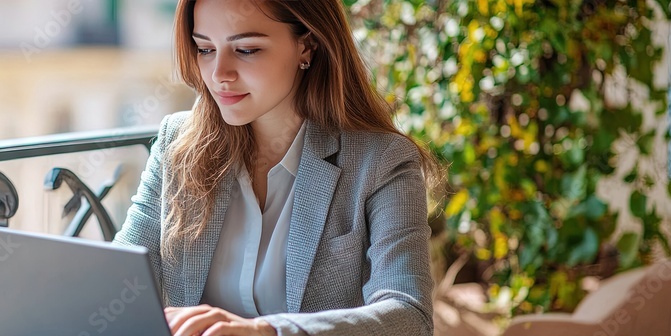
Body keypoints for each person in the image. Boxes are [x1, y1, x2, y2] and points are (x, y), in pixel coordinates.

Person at [112, 0, 444, 335]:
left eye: (246, 49)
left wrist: (266, 331)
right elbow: (119, 278)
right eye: (205, 48)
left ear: (307, 44)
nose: (218, 74)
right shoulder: (177, 144)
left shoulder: (382, 160)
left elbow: (409, 315)